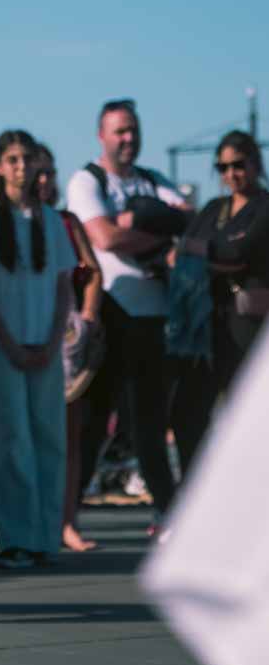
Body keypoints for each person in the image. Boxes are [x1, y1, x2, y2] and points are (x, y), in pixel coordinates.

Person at [65, 99, 192, 534]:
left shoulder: (153, 180)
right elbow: (103, 237)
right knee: (94, 422)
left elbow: (189, 219)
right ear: (101, 135)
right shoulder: (87, 180)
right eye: (119, 131)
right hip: (110, 313)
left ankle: (170, 515)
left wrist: (135, 221)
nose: (128, 139)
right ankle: (65, 518)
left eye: (133, 130)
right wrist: (159, 233)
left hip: (154, 317)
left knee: (149, 425)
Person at [0, 130, 76, 569]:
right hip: (2, 345)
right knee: (13, 442)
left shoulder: (51, 219)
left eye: (27, 159)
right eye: (12, 159)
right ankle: (15, 538)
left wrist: (53, 340)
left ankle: (46, 536)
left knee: (50, 438)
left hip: (45, 343)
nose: (21, 167)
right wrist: (7, 343)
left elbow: (64, 285)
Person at [33, 146, 103, 553]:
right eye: (37, 172)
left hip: (66, 338)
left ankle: (66, 521)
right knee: (28, 433)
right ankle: (36, 521)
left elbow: (92, 272)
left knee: (68, 434)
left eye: (49, 173)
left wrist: (89, 316)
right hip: (25, 330)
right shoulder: (8, 222)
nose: (44, 180)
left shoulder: (67, 222)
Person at [182, 131, 269, 396]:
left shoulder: (264, 206)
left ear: (255, 163)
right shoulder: (213, 208)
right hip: (208, 319)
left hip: (247, 319)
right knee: (196, 403)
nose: (231, 174)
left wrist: (201, 251)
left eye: (238, 165)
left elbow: (238, 254)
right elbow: (184, 251)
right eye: (223, 167)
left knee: (244, 396)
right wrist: (209, 253)